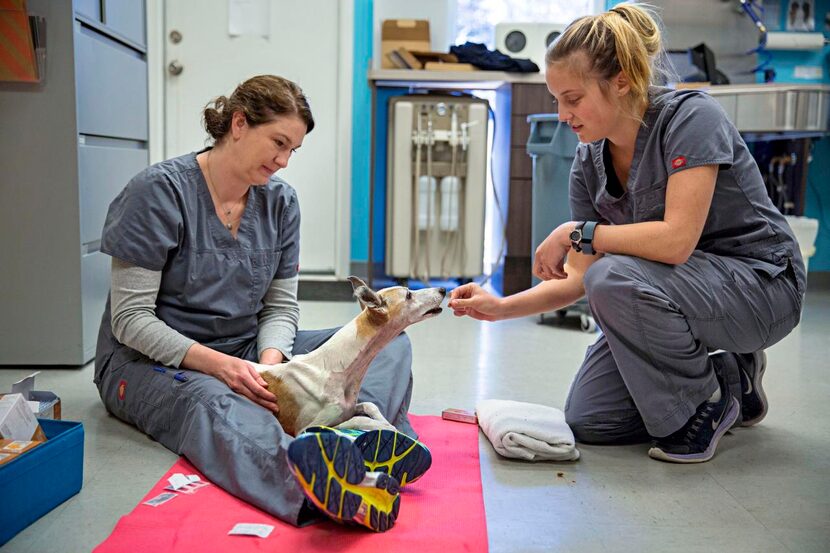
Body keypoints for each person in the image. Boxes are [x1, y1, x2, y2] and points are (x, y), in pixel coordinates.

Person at [449, 4, 805, 463]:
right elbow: (582, 278)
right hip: (681, 293)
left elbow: (675, 242)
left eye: (573, 99)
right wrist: (500, 308)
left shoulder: (691, 118)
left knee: (615, 275)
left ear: (621, 81)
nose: (562, 114)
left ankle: (701, 408)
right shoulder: (588, 161)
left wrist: (580, 231)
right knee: (593, 421)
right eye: (557, 99)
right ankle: (733, 379)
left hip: (762, 286)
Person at [94, 75, 422, 531]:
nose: (284, 161)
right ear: (239, 123)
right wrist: (219, 366)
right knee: (208, 400)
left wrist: (274, 367)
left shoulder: (281, 203)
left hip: (247, 349)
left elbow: (281, 308)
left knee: (388, 341)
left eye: (293, 150)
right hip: (149, 364)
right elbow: (130, 320)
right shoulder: (157, 192)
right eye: (278, 143)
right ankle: (310, 478)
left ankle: (356, 438)